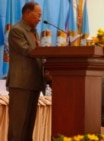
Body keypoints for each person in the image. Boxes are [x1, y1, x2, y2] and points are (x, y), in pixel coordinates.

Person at [6, 2, 44, 141]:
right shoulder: (17, 30)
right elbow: (28, 51)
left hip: (34, 83)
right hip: (21, 84)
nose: (40, 18)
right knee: (18, 127)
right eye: (38, 15)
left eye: (41, 16)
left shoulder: (33, 32)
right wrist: (48, 52)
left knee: (28, 127)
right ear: (27, 12)